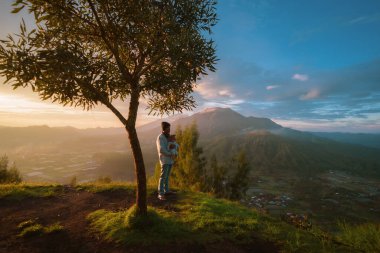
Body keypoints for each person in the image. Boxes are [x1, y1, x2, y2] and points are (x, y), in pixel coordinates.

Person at [156, 122, 174, 200]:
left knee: (167, 176)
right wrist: (170, 154)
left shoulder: (168, 136)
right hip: (165, 160)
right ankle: (160, 193)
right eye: (168, 128)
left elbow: (171, 145)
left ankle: (166, 190)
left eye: (170, 128)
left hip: (170, 160)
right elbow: (161, 149)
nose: (169, 130)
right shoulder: (161, 137)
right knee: (163, 176)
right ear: (164, 128)